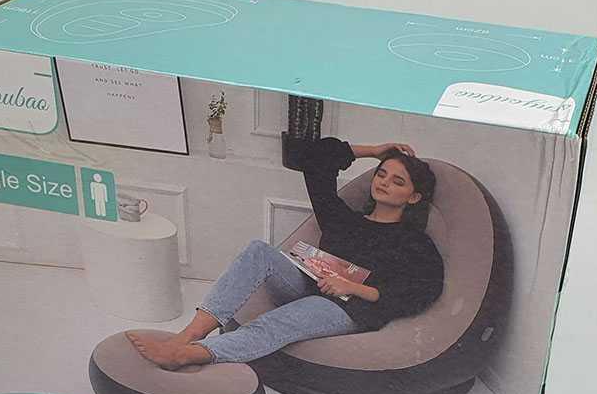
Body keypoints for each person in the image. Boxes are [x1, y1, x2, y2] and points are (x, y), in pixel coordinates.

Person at [127, 137, 444, 369]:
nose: (384, 183)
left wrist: (354, 287)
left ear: (413, 197)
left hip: (349, 309)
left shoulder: (413, 242)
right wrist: (373, 151)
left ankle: (188, 355)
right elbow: (314, 156)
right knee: (259, 251)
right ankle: (187, 336)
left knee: (276, 321)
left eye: (397, 181)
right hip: (310, 285)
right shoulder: (343, 219)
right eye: (381, 173)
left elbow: (422, 291)